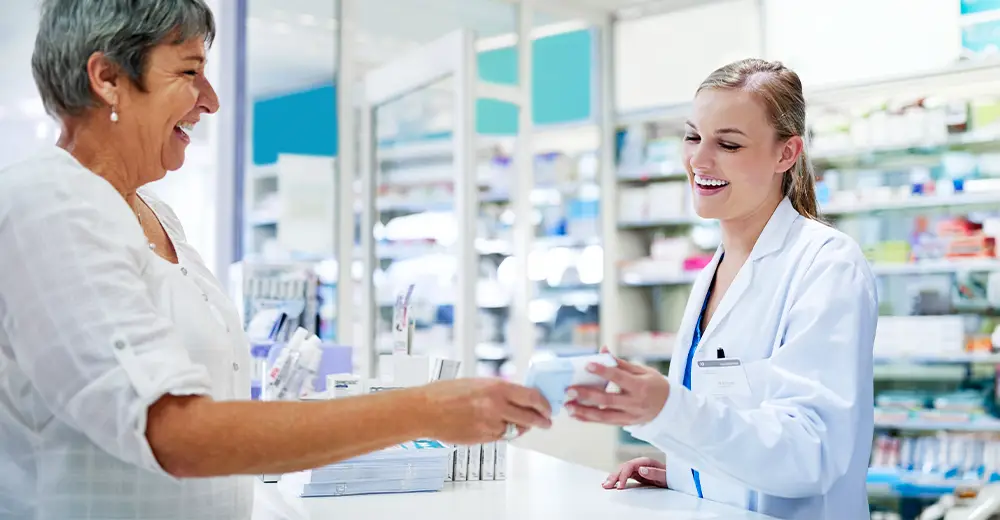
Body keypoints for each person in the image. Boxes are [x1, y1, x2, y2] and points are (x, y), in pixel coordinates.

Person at [0, 1, 552, 519]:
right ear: (109, 79)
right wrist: (426, 410)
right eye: (189, 72)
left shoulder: (156, 213)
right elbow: (174, 434)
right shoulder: (51, 205)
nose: (211, 99)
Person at [565, 58, 878, 520]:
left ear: (786, 154)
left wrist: (669, 409)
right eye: (693, 136)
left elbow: (809, 455)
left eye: (728, 144)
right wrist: (688, 470)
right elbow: (733, 420)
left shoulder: (826, 263)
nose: (699, 160)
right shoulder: (715, 270)